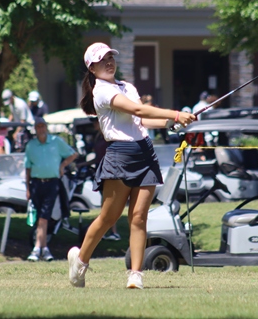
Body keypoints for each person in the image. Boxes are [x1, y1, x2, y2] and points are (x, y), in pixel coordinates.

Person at [68, 42, 195, 290]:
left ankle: (136, 275)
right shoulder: (101, 92)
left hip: (145, 153)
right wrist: (175, 114)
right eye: (102, 60)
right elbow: (136, 108)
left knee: (139, 217)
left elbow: (140, 119)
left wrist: (170, 124)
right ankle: (80, 261)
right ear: (92, 69)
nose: (109, 62)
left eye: (110, 57)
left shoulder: (127, 87)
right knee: (109, 217)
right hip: (120, 155)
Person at [25, 117, 79, 262]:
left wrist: (62, 166)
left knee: (44, 216)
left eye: (43, 126)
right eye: (38, 126)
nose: (41, 129)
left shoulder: (56, 142)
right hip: (36, 183)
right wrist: (27, 188)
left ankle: (37, 248)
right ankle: (44, 249)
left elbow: (73, 154)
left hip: (52, 182)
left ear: (46, 127)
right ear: (35, 129)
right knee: (40, 216)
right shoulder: (31, 145)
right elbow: (27, 168)